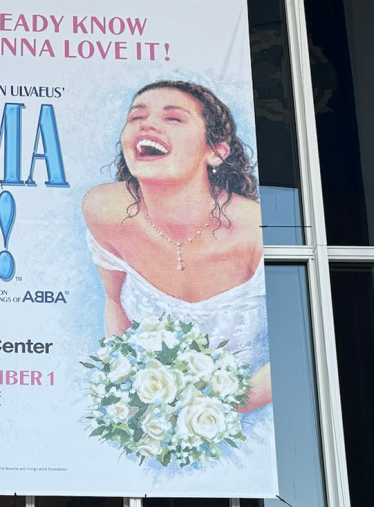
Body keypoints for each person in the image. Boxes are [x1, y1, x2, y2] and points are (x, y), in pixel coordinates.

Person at [82, 80, 271, 457]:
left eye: (173, 118)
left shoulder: (257, 230)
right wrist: (139, 404)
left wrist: (208, 412)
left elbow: (302, 350)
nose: (147, 125)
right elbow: (115, 305)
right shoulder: (104, 210)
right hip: (154, 424)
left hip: (258, 415)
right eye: (136, 116)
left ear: (215, 152)